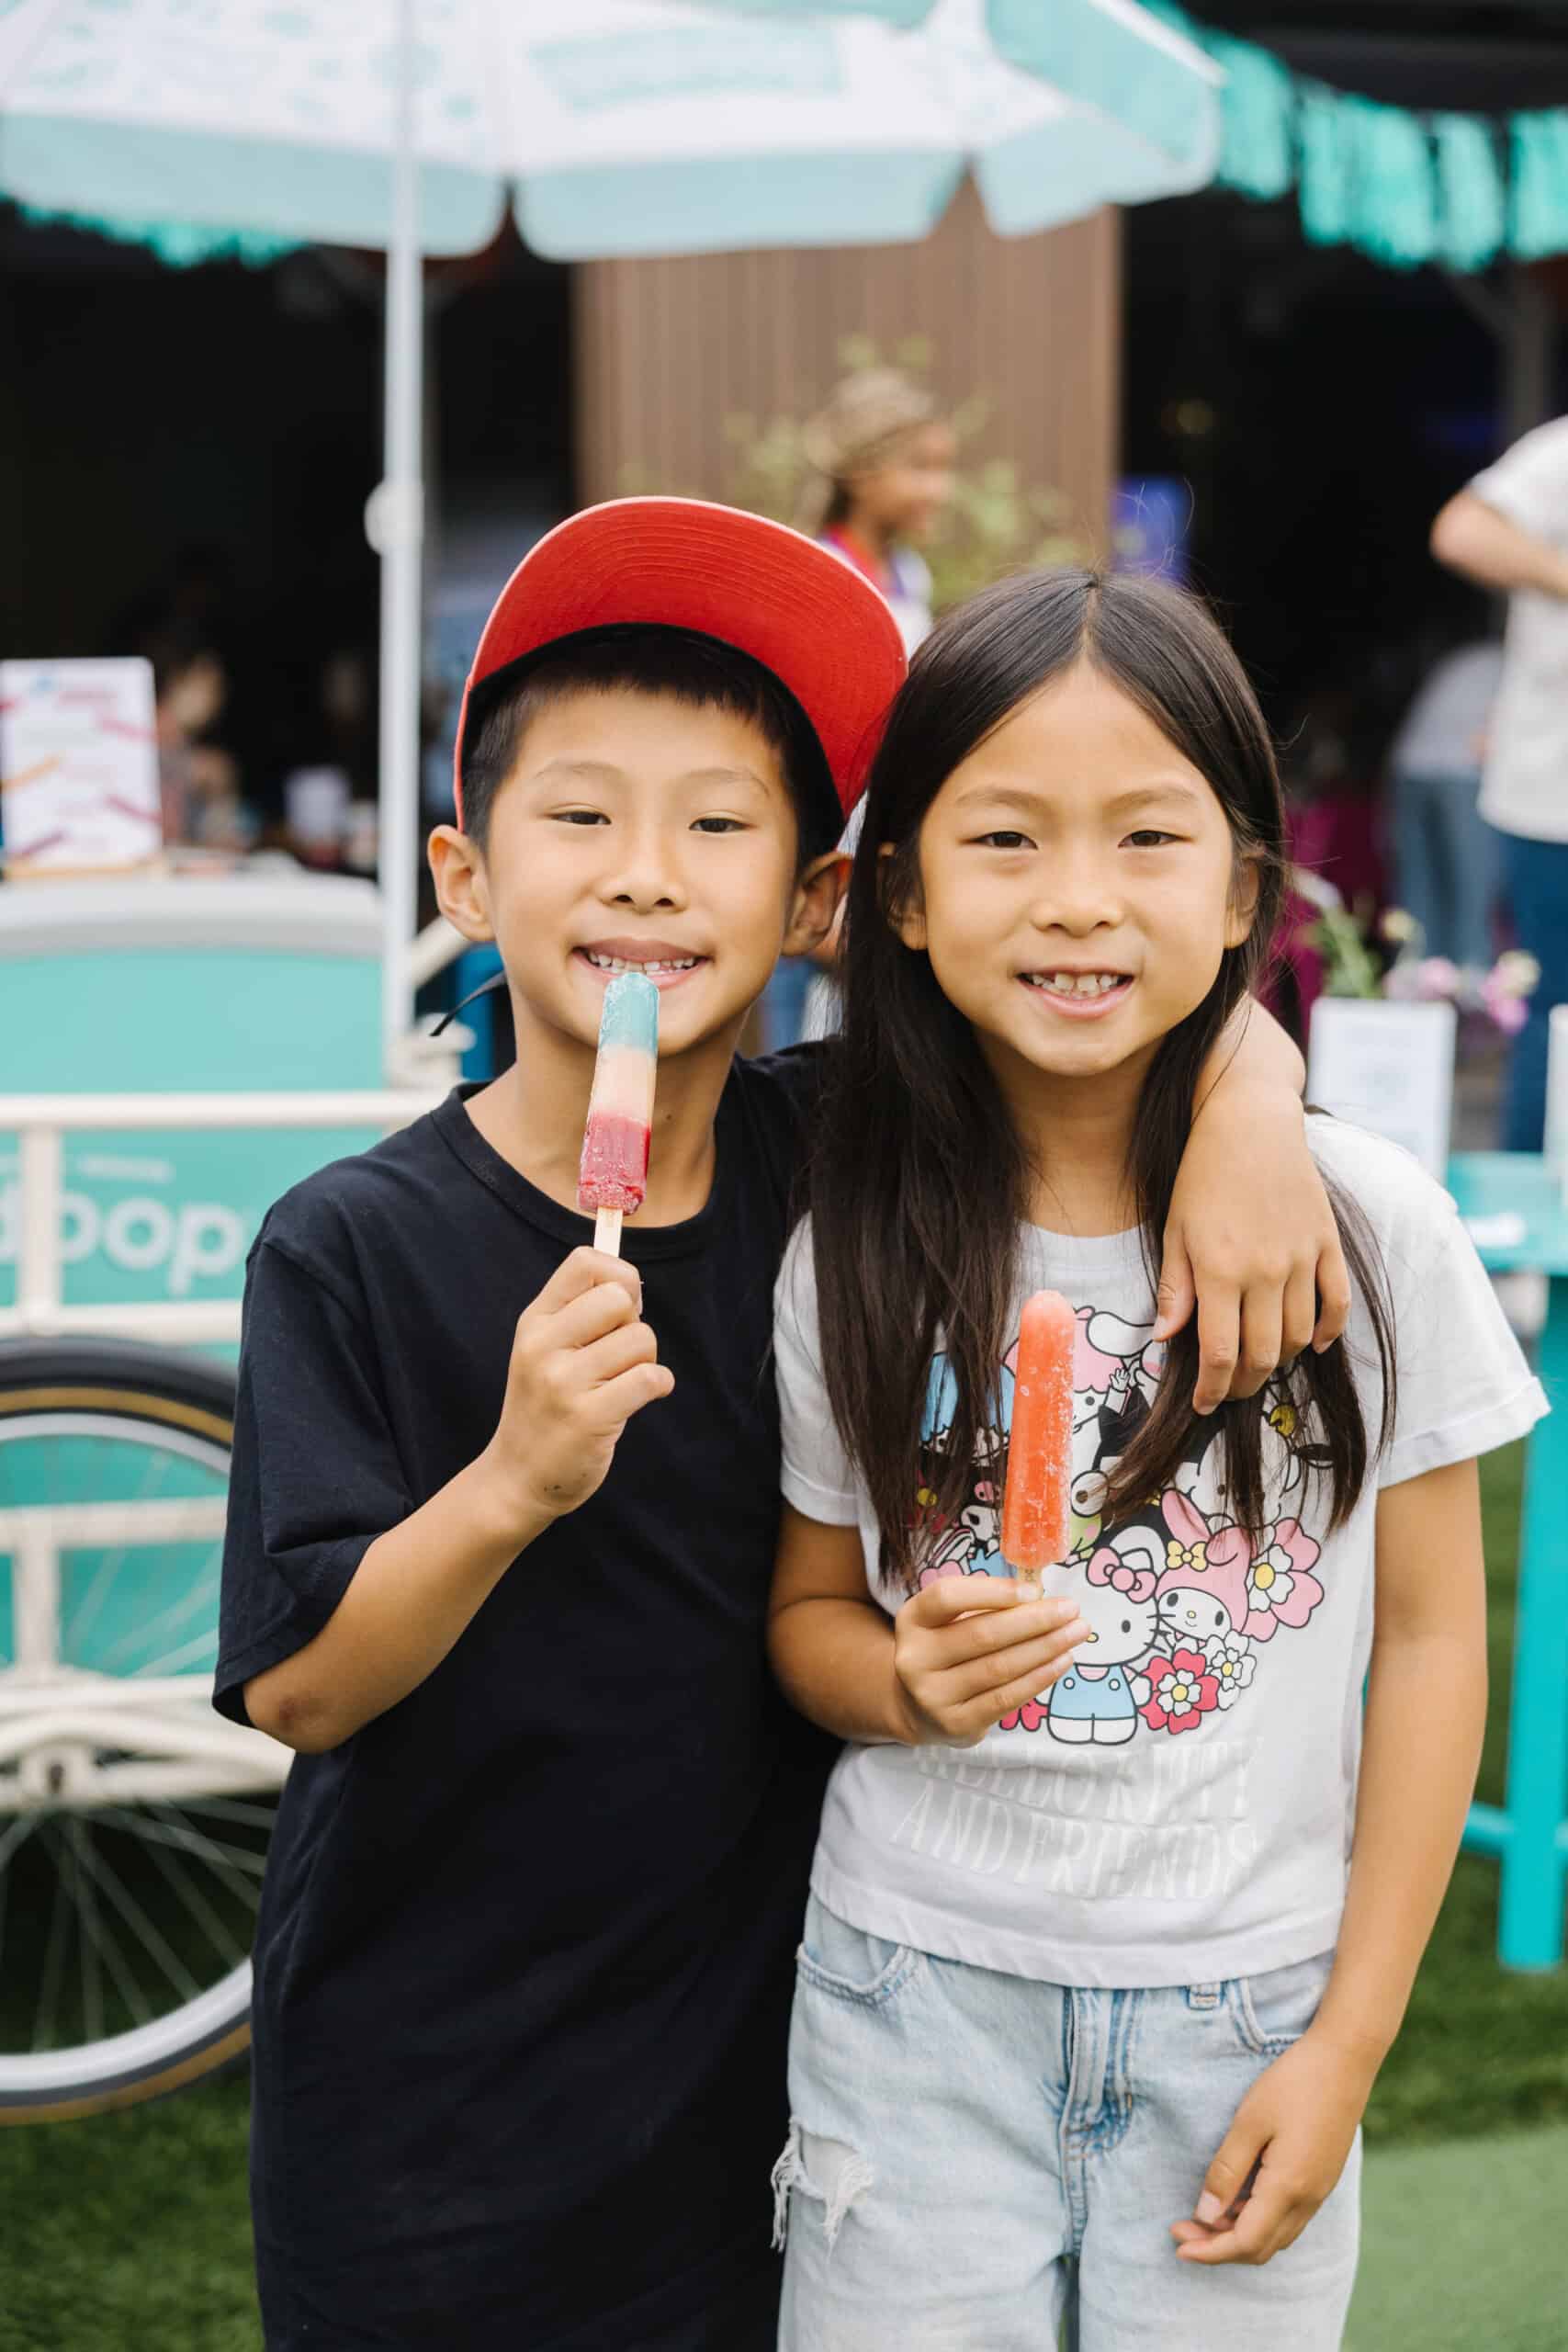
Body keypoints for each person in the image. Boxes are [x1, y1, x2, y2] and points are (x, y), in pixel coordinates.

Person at [216, 501, 1355, 2352]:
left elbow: (1096, 1008)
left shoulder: (847, 1165)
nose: (646, 877)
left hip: (759, 2052)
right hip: (426, 2078)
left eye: (718, 826)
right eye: (580, 818)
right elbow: (301, 1691)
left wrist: (1251, 1082)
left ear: (819, 901)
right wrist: (510, 1481)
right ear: (462, 876)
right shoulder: (350, 1244)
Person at [769, 569, 1546, 2349]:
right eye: (1004, 838)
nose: (1077, 898)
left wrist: (1349, 2038)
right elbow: (805, 1610)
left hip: (1246, 2006)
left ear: (1241, 892)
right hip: (907, 1992)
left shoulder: (1368, 1223)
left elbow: (1433, 1639)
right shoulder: (851, 1240)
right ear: (900, 893)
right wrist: (897, 1681)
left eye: (1144, 836)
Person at [1431, 416, 1568, 1148]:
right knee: (1557, 1013)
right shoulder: (1561, 452)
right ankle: (1539, 1207)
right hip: (1553, 802)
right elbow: (1461, 531)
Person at [1387, 638, 1504, 969]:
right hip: (1462, 772)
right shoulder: (1520, 671)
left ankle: (1412, 980)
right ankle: (1471, 984)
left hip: (1410, 767)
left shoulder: (1468, 658)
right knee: (1472, 891)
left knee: (1417, 889)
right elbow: (1485, 743)